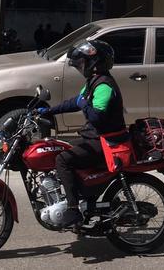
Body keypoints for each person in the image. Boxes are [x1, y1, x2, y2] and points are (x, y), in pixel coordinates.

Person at [36, 39, 125, 227]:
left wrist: (83, 104)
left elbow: (96, 117)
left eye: (82, 63)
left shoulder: (104, 86)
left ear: (94, 63)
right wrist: (48, 110)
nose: (79, 67)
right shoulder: (93, 81)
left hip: (106, 142)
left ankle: (73, 208)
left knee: (62, 159)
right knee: (63, 150)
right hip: (96, 137)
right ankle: (83, 198)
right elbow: (75, 101)